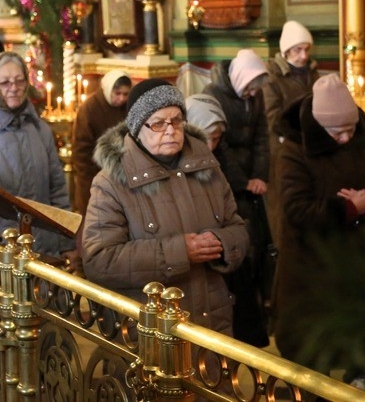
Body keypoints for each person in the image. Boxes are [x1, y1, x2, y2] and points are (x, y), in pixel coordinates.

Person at [274, 74, 365, 395]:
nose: (345, 138)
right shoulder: (295, 150)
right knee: (312, 366)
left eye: (350, 130)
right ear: (319, 125)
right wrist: (348, 208)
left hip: (363, 267)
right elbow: (296, 210)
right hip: (312, 273)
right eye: (336, 132)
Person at [81, 79, 249, 336]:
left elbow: (237, 228)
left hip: (212, 321)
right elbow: (99, 261)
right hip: (151, 328)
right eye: (158, 123)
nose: (170, 130)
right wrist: (181, 251)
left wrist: (221, 243)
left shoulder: (207, 167)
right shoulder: (111, 183)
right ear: (137, 128)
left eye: (177, 120)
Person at [0, 52, 74, 258]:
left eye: (19, 81)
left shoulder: (39, 129)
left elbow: (57, 189)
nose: (14, 88)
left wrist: (66, 243)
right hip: (0, 251)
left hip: (45, 248)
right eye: (5, 83)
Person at [202, 49, 273, 346]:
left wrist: (260, 175)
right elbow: (219, 146)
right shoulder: (214, 94)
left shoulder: (254, 96)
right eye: (250, 86)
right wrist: (244, 182)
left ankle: (260, 309)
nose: (253, 93)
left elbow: (261, 137)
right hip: (231, 177)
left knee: (258, 243)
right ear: (241, 78)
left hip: (251, 181)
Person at [262, 21, 320, 247]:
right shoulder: (272, 77)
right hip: (284, 148)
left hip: (311, 146)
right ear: (286, 51)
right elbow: (273, 117)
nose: (303, 56)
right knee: (285, 203)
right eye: (298, 50)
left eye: (306, 49)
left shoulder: (313, 73)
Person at [71, 69, 131, 216]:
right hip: (93, 177)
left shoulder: (128, 106)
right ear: (108, 89)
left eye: (125, 94)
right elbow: (81, 151)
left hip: (123, 178)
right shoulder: (89, 108)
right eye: (117, 93)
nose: (122, 98)